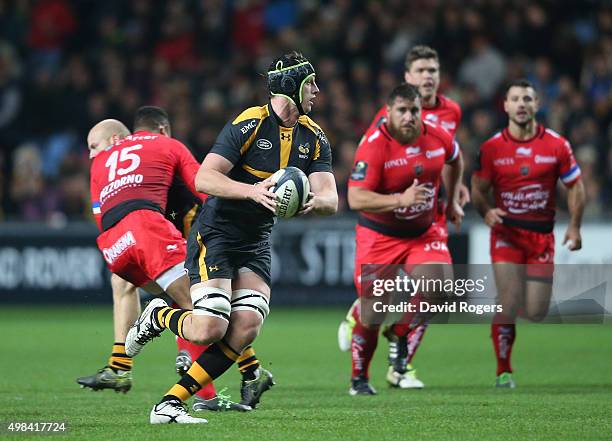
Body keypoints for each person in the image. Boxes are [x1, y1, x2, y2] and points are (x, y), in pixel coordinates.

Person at [125, 51, 338, 424]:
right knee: (210, 326)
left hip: (256, 240)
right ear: (291, 87)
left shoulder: (314, 136)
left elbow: (332, 199)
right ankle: (157, 315)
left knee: (246, 326)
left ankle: (169, 404)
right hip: (218, 232)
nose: (317, 91)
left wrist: (310, 203)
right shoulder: (249, 124)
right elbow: (204, 178)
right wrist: (253, 191)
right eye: (311, 83)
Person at [79, 114, 258, 411]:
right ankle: (243, 372)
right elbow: (204, 184)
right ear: (161, 128)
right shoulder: (167, 145)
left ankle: (120, 366)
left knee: (125, 285)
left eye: (92, 145)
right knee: (204, 310)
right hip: (152, 228)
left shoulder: (100, 163)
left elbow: (101, 214)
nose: (90, 152)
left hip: (113, 243)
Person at [339, 45, 468, 389]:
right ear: (389, 113)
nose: (410, 117)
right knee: (371, 311)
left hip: (422, 233)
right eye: (403, 111)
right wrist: (401, 199)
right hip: (379, 235)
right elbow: (354, 197)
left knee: (440, 287)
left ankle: (399, 334)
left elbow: (456, 160)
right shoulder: (375, 144)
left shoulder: (438, 134)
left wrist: (452, 199)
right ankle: (359, 378)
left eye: (415, 110)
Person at [472, 79, 585, 388]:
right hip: (506, 234)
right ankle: (503, 371)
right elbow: (478, 190)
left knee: (535, 311)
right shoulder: (492, 148)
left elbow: (575, 185)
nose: (521, 104)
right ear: (505, 106)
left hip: (541, 238)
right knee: (507, 302)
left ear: (537, 105)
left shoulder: (557, 145)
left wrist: (574, 225)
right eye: (515, 99)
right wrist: (486, 211)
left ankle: (511, 310)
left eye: (527, 99)